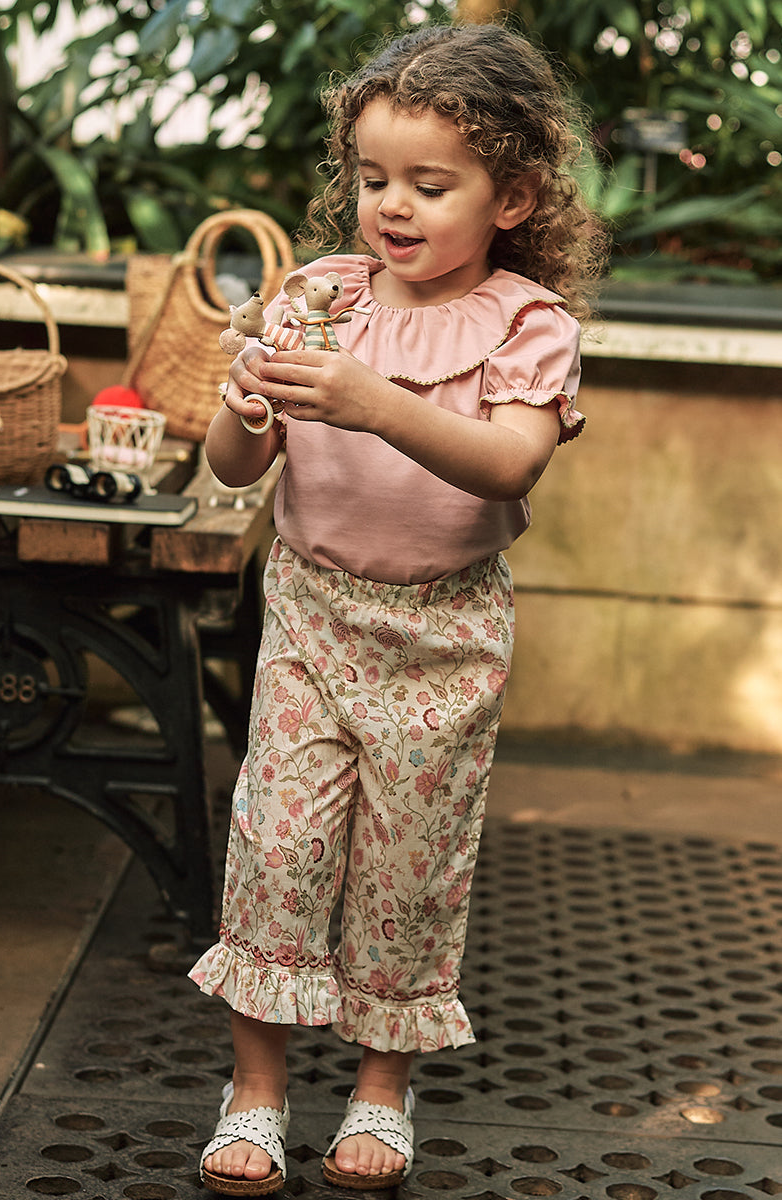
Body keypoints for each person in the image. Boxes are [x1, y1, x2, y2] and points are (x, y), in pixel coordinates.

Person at [189, 20, 606, 1195]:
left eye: (430, 183)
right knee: (278, 848)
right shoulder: (319, 299)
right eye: (373, 178)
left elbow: (509, 463)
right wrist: (248, 402)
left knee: (406, 867)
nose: (392, 205)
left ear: (512, 197)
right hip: (311, 617)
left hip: (443, 634)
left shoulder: (527, 325)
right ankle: (256, 1089)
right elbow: (232, 465)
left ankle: (382, 1086)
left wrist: (373, 401)